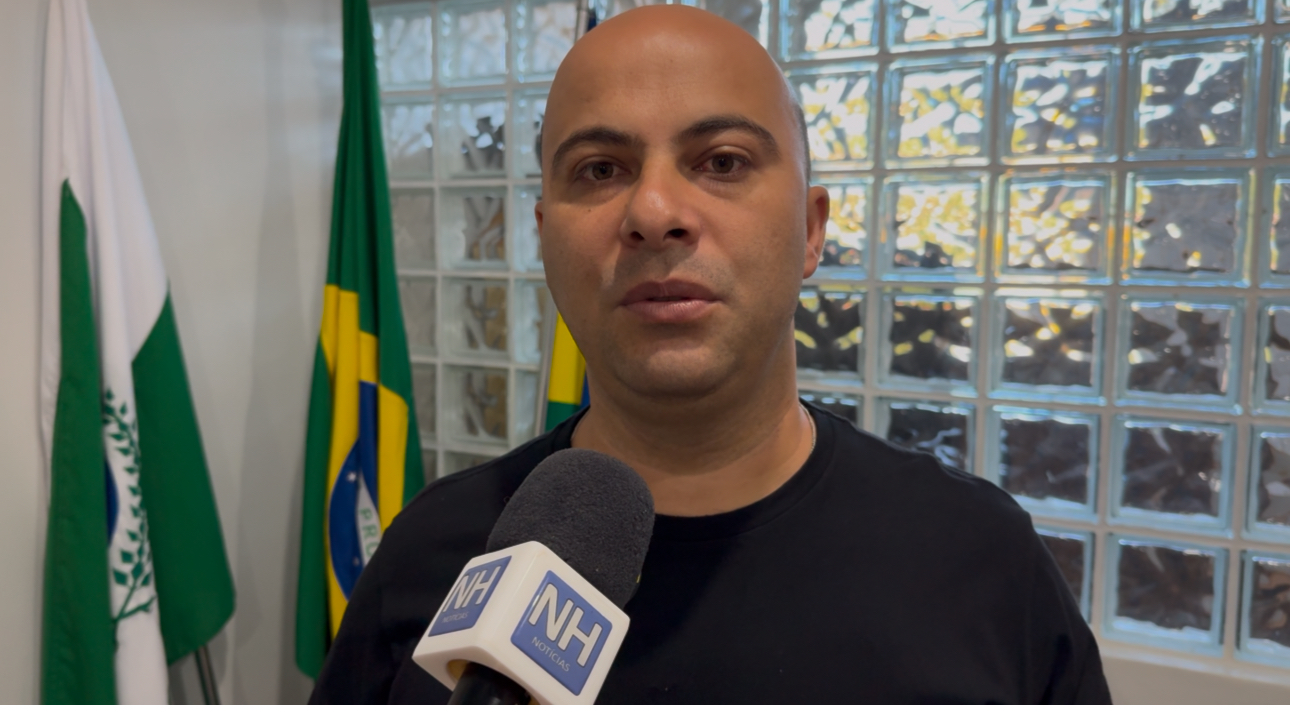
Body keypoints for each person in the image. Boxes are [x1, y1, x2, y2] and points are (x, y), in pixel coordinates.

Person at [309, 5, 1112, 703]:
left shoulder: (980, 559)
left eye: (722, 161)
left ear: (810, 229)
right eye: (600, 169)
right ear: (545, 238)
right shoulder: (432, 554)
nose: (654, 211)